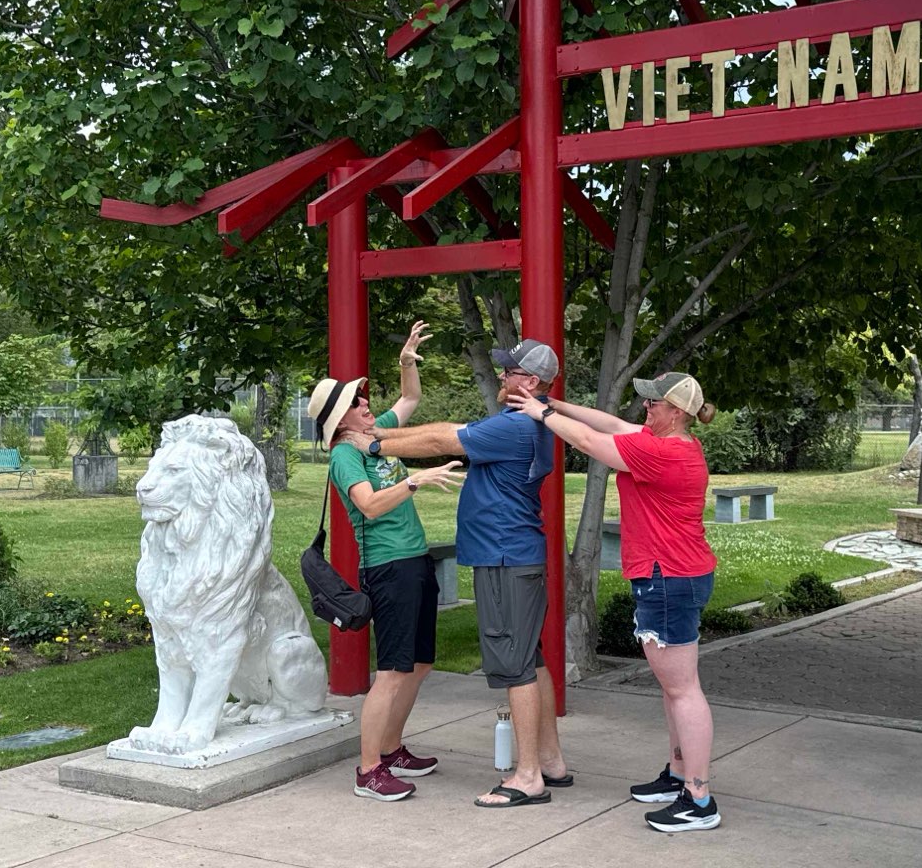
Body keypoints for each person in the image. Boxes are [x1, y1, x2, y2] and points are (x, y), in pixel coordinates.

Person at [359, 337, 570, 808]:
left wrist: (372, 441)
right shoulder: (535, 425)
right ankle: (551, 760)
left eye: (510, 371)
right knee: (530, 659)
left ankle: (528, 776)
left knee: (515, 667)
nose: (502, 376)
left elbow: (440, 439)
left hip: (503, 558)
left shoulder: (516, 427)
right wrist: (381, 438)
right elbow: (441, 435)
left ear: (530, 382)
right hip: (517, 556)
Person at [509, 371, 723, 833]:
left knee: (684, 689)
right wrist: (555, 404)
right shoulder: (665, 440)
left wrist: (541, 413)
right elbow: (605, 422)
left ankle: (699, 799)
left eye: (654, 403)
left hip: (669, 578)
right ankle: (678, 775)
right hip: (675, 574)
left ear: (678, 413)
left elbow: (589, 441)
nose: (645, 408)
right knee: (674, 688)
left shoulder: (659, 451)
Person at [307, 321, 463, 803]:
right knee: (393, 670)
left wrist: (406, 363)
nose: (365, 403)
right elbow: (370, 505)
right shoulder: (344, 457)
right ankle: (369, 769)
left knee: (418, 663)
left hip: (415, 561)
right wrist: (416, 481)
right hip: (388, 568)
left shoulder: (376, 433)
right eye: (355, 402)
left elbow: (410, 401)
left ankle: (392, 750)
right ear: (341, 419)